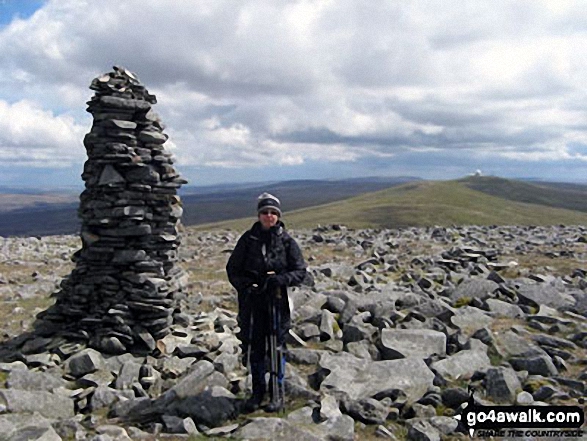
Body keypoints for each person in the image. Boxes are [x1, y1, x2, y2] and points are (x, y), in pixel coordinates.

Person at [226, 192, 308, 412]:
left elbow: (300, 271)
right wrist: (247, 285)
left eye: (273, 212)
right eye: (264, 212)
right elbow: (232, 269)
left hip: (278, 303)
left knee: (277, 346)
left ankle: (277, 393)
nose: (268, 216)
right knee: (254, 346)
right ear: (259, 215)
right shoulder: (248, 239)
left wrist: (279, 280)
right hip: (253, 303)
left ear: (278, 215)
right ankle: (257, 393)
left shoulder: (287, 241)